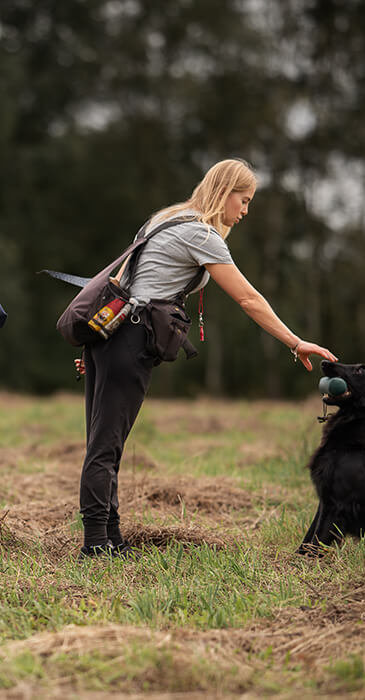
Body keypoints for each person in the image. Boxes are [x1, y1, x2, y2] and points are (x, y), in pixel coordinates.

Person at [76, 158, 337, 559]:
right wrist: (294, 341)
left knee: (106, 443)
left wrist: (94, 346)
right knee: (105, 447)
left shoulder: (165, 218)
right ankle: (96, 544)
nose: (245, 211)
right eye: (243, 200)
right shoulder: (201, 234)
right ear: (225, 192)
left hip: (110, 335)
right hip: (128, 341)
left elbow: (120, 284)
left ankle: (111, 539)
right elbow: (248, 298)